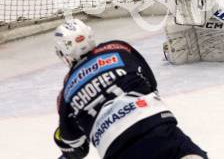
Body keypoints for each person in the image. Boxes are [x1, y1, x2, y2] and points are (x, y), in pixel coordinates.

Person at [53, 19, 208, 159]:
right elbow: (151, 83)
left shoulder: (66, 91)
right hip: (157, 126)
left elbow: (75, 146)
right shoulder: (118, 48)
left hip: (117, 148)